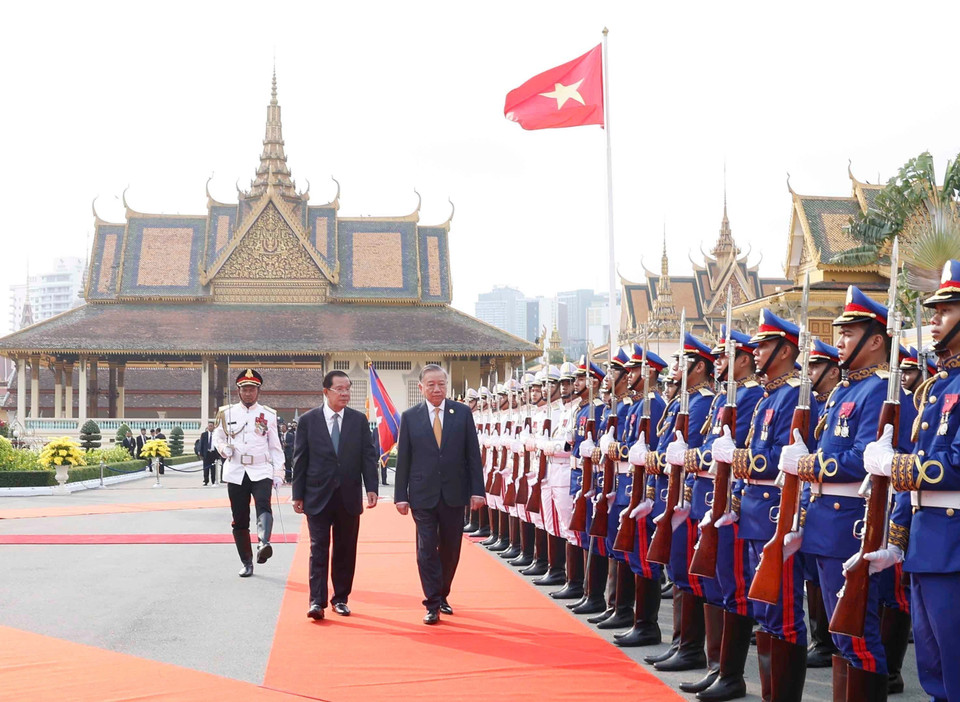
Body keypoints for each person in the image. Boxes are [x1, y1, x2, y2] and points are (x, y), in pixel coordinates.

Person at [394, 364, 485, 625]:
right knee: (426, 549)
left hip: (454, 493)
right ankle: (432, 602)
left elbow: (472, 455)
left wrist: (477, 491)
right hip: (422, 494)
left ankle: (443, 593)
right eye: (431, 384)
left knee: (450, 548)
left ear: (447, 385)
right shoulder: (410, 416)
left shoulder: (462, 413)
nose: (437, 389)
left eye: (441, 384)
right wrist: (401, 495)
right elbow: (404, 460)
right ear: (421, 387)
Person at [291, 370, 378, 621]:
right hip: (317, 495)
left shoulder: (358, 420)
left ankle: (340, 598)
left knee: (345, 549)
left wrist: (371, 487)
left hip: (348, 496)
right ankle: (316, 601)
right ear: (326, 391)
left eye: (348, 388)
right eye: (340, 389)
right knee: (318, 548)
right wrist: (298, 494)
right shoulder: (309, 421)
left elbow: (367, 456)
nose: (345, 393)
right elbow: (300, 459)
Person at [213, 369, 285, 578]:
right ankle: (246, 561)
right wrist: (223, 448)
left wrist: (278, 472)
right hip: (236, 470)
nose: (248, 393)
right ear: (238, 391)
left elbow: (275, 447)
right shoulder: (226, 413)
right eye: (245, 389)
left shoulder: (268, 415)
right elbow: (217, 437)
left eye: (252, 389)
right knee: (240, 517)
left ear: (258, 391)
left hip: (260, 470)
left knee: (264, 505)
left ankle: (264, 543)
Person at [197, 421, 219, 486]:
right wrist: (200, 453)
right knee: (206, 468)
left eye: (211, 426)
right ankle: (205, 481)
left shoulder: (216, 435)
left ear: (214, 427)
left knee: (213, 469)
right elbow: (201, 444)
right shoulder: (204, 435)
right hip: (206, 453)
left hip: (213, 453)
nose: (210, 427)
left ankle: (213, 481)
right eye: (209, 426)